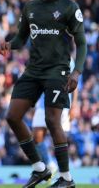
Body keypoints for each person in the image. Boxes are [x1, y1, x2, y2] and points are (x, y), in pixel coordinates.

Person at [0, 0, 86, 188]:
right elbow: (21, 38)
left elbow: (82, 42)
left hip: (57, 71)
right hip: (33, 71)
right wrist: (10, 45)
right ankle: (40, 169)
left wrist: (76, 72)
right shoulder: (31, 7)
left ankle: (67, 179)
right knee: (12, 116)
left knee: (51, 121)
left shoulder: (69, 7)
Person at [32, 46, 79, 181]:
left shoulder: (67, 59)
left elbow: (74, 82)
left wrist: (75, 104)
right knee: (36, 136)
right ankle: (50, 164)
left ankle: (64, 172)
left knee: (59, 138)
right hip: (43, 102)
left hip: (61, 102)